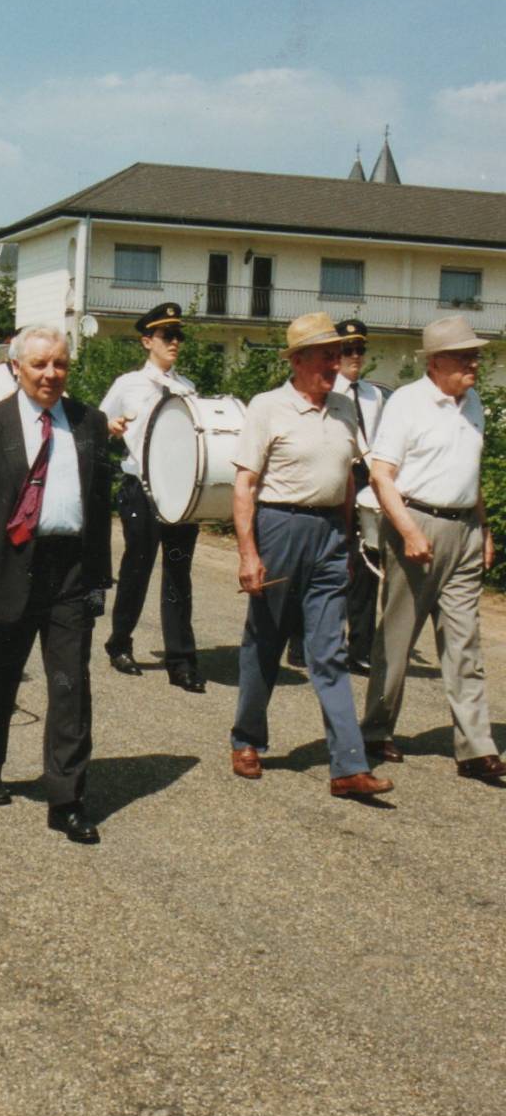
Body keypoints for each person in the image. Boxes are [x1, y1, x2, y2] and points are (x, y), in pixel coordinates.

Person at [0, 324, 113, 844]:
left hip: (70, 570)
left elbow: (99, 505)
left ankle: (66, 799)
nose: (50, 374)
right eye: (39, 364)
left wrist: (99, 580)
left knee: (70, 686)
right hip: (8, 566)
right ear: (16, 367)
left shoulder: (90, 422)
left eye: (59, 364)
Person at [229, 312, 393, 801]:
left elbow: (346, 480)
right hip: (279, 527)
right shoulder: (267, 407)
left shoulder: (343, 408)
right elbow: (245, 485)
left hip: (329, 535)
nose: (335, 365)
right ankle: (246, 739)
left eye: (338, 356)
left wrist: (346, 539)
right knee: (266, 639)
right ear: (298, 360)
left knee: (329, 651)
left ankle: (348, 766)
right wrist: (248, 554)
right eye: (325, 356)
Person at [360, 314, 504, 783]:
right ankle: (376, 729)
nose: (474, 364)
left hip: (464, 530)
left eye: (475, 356)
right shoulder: (407, 403)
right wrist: (407, 531)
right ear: (436, 362)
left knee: (464, 643)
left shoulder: (473, 402)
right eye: (464, 357)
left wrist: (484, 530)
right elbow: (381, 475)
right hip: (416, 523)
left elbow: (469, 473)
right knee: (398, 635)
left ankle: (475, 748)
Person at [100, 301, 204, 691]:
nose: (175, 342)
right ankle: (119, 643)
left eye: (178, 336)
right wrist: (110, 426)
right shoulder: (128, 384)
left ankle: (181, 660)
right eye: (167, 335)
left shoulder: (187, 389)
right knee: (137, 567)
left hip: (179, 493)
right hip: (140, 489)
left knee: (178, 573)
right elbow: (99, 420)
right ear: (147, 341)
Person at [333, 319, 386, 675]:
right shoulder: (327, 389)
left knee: (366, 561)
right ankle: (302, 640)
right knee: (325, 559)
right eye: (347, 350)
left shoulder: (373, 395)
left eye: (360, 349)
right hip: (336, 476)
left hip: (365, 479)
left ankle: (360, 649)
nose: (355, 356)